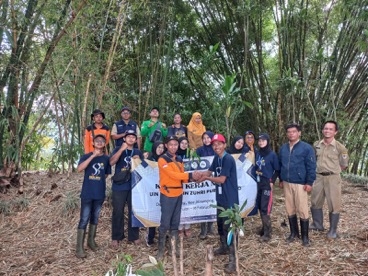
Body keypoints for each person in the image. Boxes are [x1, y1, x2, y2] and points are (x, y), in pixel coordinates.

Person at [196, 134, 239, 273]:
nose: (216, 147)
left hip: (230, 199)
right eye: (214, 145)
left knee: (230, 229)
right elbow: (208, 171)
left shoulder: (228, 159)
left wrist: (207, 178)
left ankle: (233, 260)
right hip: (220, 198)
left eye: (219, 144)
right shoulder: (217, 158)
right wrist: (198, 176)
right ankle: (224, 247)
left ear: (224, 145)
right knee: (221, 225)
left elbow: (221, 179)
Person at [156, 136, 198, 260]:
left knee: (175, 223)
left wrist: (193, 179)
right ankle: (161, 250)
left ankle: (173, 248)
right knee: (165, 223)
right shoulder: (162, 159)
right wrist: (190, 175)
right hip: (167, 195)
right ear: (166, 145)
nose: (173, 147)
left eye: (175, 144)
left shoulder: (179, 159)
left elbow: (182, 177)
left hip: (179, 194)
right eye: (171, 144)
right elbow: (173, 175)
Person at [279, 123, 316, 246]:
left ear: (299, 133)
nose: (291, 134)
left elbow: (311, 166)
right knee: (290, 208)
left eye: (294, 131)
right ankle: (294, 233)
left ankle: (305, 237)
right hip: (287, 182)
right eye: (289, 132)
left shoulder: (306, 148)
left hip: (300, 183)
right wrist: (280, 179)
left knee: (302, 209)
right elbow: (281, 165)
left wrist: (309, 182)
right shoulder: (283, 148)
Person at [310, 120, 349, 239]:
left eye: (331, 129)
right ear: (323, 130)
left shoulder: (340, 148)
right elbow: (312, 160)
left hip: (333, 178)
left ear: (335, 132)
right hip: (318, 177)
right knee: (315, 201)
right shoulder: (317, 144)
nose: (327, 131)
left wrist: (332, 171)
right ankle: (317, 224)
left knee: (334, 203)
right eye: (326, 128)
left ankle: (332, 230)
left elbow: (343, 165)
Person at [76, 134, 111, 258]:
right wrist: (93, 156)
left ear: (104, 143)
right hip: (87, 193)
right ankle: (79, 247)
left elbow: (106, 174)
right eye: (97, 141)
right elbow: (79, 169)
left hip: (99, 193)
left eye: (102, 141)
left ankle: (91, 241)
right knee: (84, 219)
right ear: (93, 143)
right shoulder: (86, 156)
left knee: (95, 218)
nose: (100, 142)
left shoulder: (106, 159)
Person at [110, 130, 144, 247]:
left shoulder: (138, 151)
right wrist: (120, 150)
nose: (130, 139)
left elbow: (143, 169)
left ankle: (133, 236)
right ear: (124, 139)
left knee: (133, 211)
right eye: (128, 136)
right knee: (117, 211)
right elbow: (111, 162)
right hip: (119, 185)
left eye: (133, 137)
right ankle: (116, 237)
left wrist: (138, 160)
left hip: (133, 186)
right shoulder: (117, 149)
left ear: (135, 140)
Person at [255, 133, 280, 242]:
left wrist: (272, 181)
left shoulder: (272, 154)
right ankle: (264, 228)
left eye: (263, 140)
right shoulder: (257, 153)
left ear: (267, 141)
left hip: (267, 182)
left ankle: (267, 233)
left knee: (265, 207)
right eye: (259, 141)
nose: (261, 142)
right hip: (258, 182)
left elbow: (277, 169)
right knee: (260, 206)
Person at [196, 131, 215, 239]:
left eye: (208, 138)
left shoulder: (216, 149)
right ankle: (203, 230)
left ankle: (211, 229)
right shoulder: (199, 150)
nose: (206, 140)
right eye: (204, 138)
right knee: (202, 203)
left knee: (212, 203)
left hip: (212, 181)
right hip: (202, 182)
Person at [145, 141, 165, 247]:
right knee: (153, 214)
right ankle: (150, 238)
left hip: (163, 191)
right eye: (158, 147)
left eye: (162, 147)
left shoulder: (165, 159)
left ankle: (163, 237)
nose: (160, 149)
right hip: (151, 191)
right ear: (154, 147)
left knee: (163, 214)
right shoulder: (149, 159)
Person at [176, 137, 191, 237]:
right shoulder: (175, 155)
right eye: (182, 143)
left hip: (189, 183)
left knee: (188, 204)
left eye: (186, 143)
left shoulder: (191, 154)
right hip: (177, 182)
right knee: (179, 206)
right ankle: (180, 228)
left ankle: (188, 227)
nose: (184, 145)